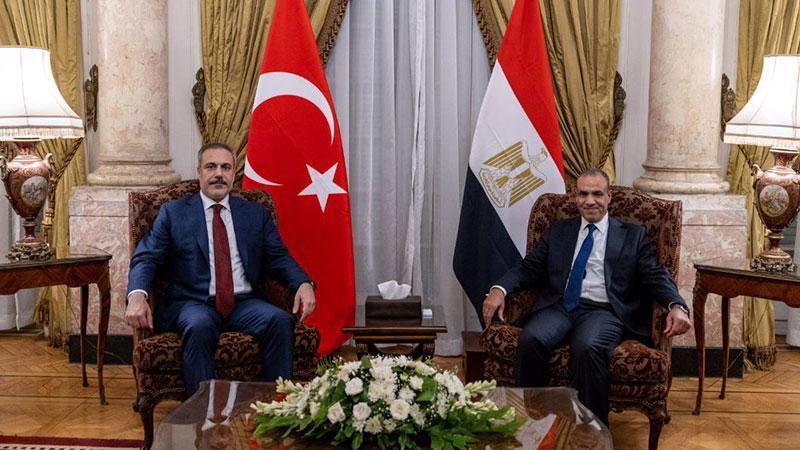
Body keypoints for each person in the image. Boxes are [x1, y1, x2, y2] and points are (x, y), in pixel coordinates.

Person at [482, 167, 691, 425]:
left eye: (597, 194)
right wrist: (499, 289)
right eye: (583, 194)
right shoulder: (560, 231)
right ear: (575, 197)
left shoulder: (632, 235)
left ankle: (592, 428)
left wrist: (676, 304)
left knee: (588, 346)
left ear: (609, 196)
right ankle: (534, 423)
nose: (590, 201)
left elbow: (655, 274)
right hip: (560, 307)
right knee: (532, 339)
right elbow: (529, 268)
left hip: (604, 311)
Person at [125, 142, 316, 395]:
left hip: (244, 303)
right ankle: (203, 411)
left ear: (233, 173)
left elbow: (278, 257)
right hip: (193, 302)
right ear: (199, 172)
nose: (218, 174)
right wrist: (137, 295)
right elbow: (146, 257)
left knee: (278, 320)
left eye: (225, 167)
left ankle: (277, 405)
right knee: (200, 325)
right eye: (211, 167)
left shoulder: (255, 213)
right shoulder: (174, 213)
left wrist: (303, 283)